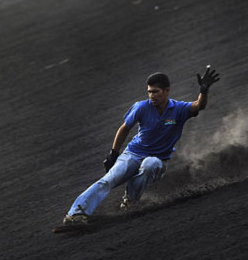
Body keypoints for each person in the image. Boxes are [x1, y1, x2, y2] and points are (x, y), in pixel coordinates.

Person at [63, 66, 220, 225]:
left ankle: (130, 200)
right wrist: (114, 154)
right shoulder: (141, 107)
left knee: (150, 165)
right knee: (108, 180)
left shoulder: (179, 109)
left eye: (155, 91)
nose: (152, 96)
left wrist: (204, 90)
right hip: (133, 154)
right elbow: (124, 128)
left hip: (159, 160)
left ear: (167, 90)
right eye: (149, 92)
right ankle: (76, 214)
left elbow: (199, 105)